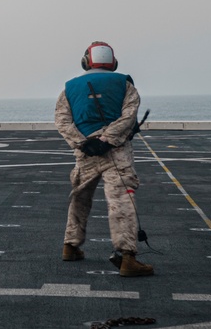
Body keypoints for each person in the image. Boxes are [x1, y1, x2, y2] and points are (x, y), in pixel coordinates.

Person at [54, 41, 153, 277]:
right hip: (116, 152)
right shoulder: (125, 84)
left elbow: (62, 121)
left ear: (86, 62)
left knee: (79, 197)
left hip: (85, 152)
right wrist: (107, 138)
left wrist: (82, 142)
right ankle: (127, 257)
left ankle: (70, 245)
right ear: (113, 62)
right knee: (121, 201)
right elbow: (129, 116)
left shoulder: (69, 88)